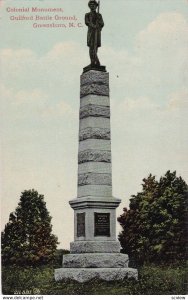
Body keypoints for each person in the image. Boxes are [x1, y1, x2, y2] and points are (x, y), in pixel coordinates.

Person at [85, 0, 104, 66]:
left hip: (97, 33)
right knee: (91, 47)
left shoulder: (99, 15)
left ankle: (95, 61)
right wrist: (94, 26)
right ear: (89, 6)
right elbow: (87, 22)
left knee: (95, 47)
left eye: (94, 5)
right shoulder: (87, 15)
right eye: (91, 5)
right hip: (91, 33)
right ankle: (93, 61)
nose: (92, 6)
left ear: (96, 6)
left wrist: (98, 23)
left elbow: (102, 24)